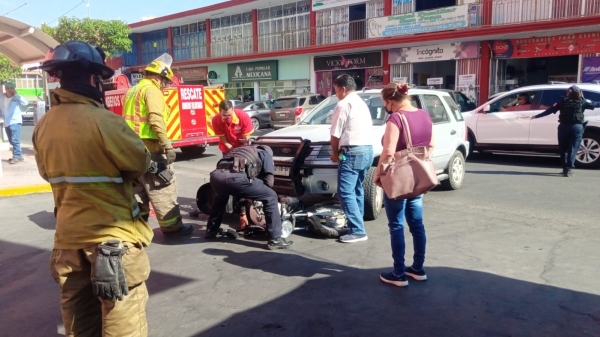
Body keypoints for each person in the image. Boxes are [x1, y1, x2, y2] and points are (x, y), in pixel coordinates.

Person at [33, 41, 153, 336]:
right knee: (122, 317)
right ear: (92, 79)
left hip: (68, 241)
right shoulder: (105, 121)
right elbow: (139, 163)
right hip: (112, 242)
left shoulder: (43, 125)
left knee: (79, 319)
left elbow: (47, 173)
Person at [123, 53, 194, 236]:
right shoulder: (151, 90)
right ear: (158, 77)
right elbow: (155, 119)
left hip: (132, 150)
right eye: (165, 81)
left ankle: (138, 228)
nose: (165, 86)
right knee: (162, 189)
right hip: (151, 149)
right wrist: (168, 146)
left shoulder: (132, 90)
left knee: (138, 192)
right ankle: (172, 228)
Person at [374, 83, 435, 287]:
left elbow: (388, 152)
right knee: (417, 224)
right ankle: (418, 268)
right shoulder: (424, 115)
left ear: (390, 102)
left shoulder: (396, 118)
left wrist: (378, 173)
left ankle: (398, 273)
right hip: (418, 178)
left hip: (399, 179)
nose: (386, 107)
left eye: (385, 103)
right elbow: (431, 145)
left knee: (396, 225)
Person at [205, 144, 294, 250]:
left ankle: (211, 230)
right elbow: (269, 182)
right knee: (271, 196)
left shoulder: (240, 149)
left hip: (216, 177)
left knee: (220, 198)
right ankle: (275, 239)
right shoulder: (265, 154)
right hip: (237, 179)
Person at [329, 74, 374, 243]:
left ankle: (357, 230)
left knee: (345, 191)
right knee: (357, 189)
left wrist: (335, 153)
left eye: (336, 90)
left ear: (343, 89)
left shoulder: (343, 104)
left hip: (352, 151)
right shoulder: (361, 103)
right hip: (367, 150)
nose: (336, 94)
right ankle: (357, 223)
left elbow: (335, 134)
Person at [531, 85, 587, 177]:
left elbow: (549, 111)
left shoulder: (562, 102)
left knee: (563, 148)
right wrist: (583, 97)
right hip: (577, 127)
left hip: (563, 127)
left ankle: (565, 169)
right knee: (573, 149)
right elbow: (594, 105)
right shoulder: (583, 101)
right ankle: (569, 169)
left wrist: (536, 116)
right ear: (580, 93)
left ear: (568, 93)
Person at [0, 81, 28, 164]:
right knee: (11, 140)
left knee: (15, 140)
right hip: (6, 121)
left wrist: (16, 94)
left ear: (14, 89)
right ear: (5, 89)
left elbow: (25, 103)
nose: (9, 90)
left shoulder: (17, 97)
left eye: (11, 88)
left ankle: (16, 156)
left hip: (15, 121)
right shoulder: (2, 97)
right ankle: (20, 156)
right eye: (7, 88)